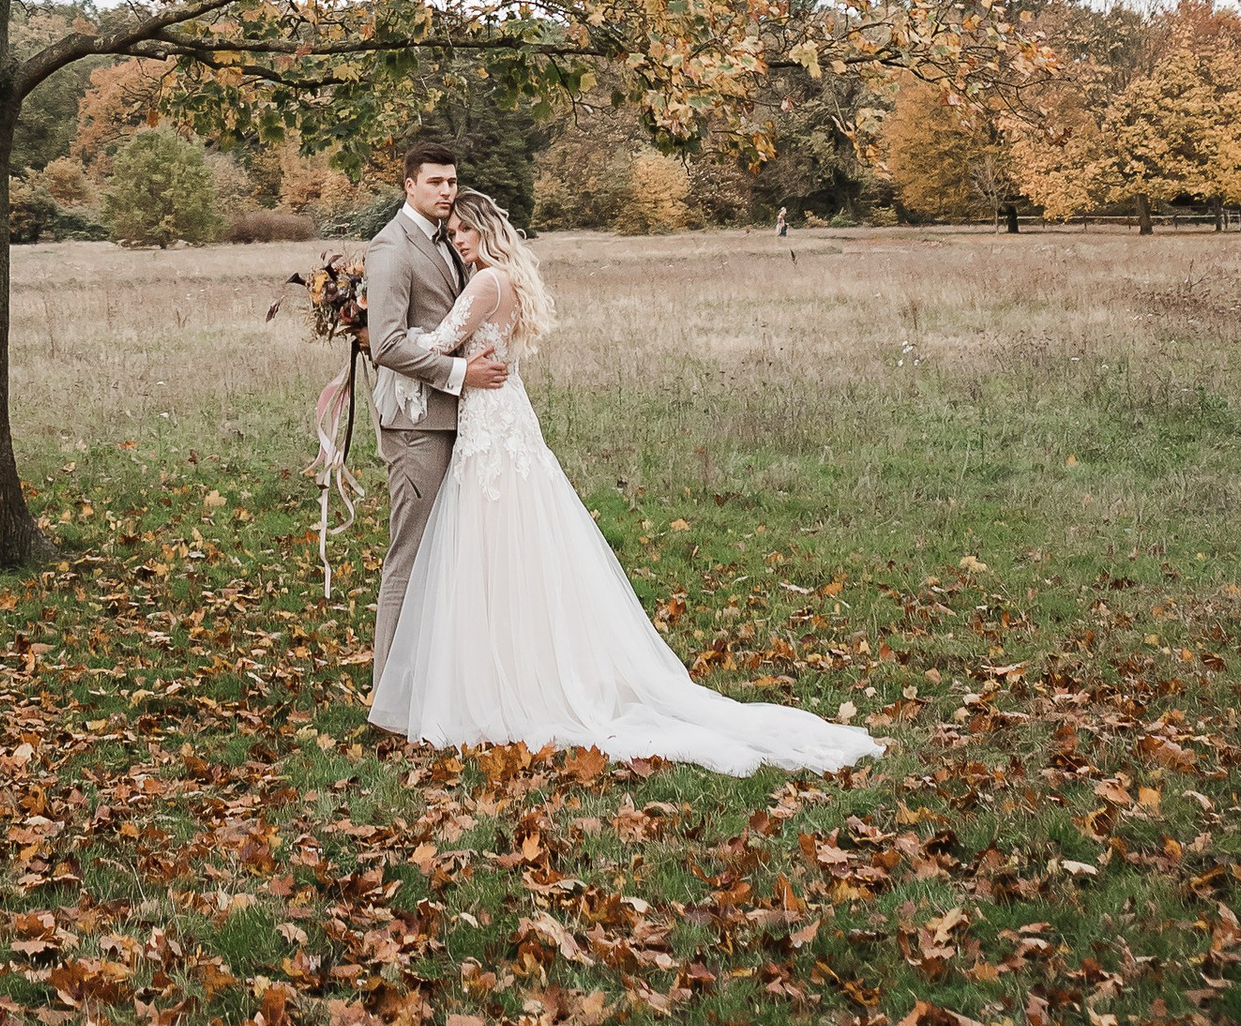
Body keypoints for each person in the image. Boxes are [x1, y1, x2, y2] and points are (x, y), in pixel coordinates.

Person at [369, 189, 882, 776]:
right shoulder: (509, 278)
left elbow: (431, 345)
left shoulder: (485, 284)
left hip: (490, 428)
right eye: (453, 232)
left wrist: (367, 331)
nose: (457, 240)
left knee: (489, 547)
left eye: (464, 230)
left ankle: (497, 680)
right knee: (511, 550)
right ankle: (503, 663)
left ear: (485, 229)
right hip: (502, 417)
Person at [364, 139, 509, 690]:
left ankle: (436, 680)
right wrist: (459, 376)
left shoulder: (451, 241)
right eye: (435, 183)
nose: (447, 192)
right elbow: (388, 343)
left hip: (462, 422)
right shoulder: (392, 247)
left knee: (448, 552)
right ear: (410, 185)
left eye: (452, 182)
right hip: (415, 423)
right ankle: (390, 695)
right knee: (411, 552)